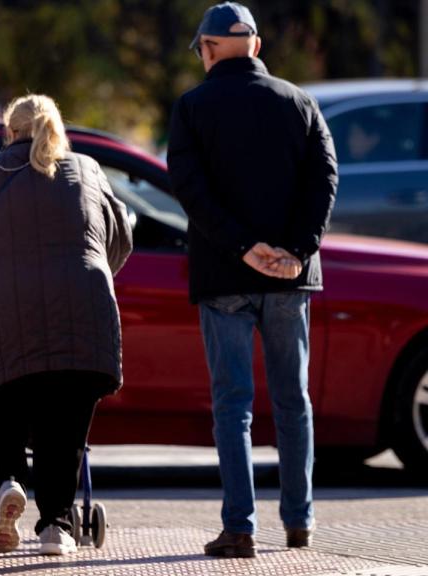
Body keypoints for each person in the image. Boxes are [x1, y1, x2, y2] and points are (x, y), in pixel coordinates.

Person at [167, 2, 338, 559]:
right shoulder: (301, 102)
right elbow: (325, 179)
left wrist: (245, 247)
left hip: (224, 277)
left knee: (232, 405)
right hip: (291, 278)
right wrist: (296, 248)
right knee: (294, 401)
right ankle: (299, 523)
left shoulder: (192, 109)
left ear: (210, 49)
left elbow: (191, 190)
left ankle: (240, 528)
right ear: (257, 47)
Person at [0, 94, 133, 556]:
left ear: (10, 132)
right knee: (65, 431)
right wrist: (89, 270)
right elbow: (121, 240)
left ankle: (10, 480)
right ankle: (56, 525)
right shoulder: (87, 170)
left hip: (7, 315)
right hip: (85, 314)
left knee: (8, 402)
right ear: (56, 128)